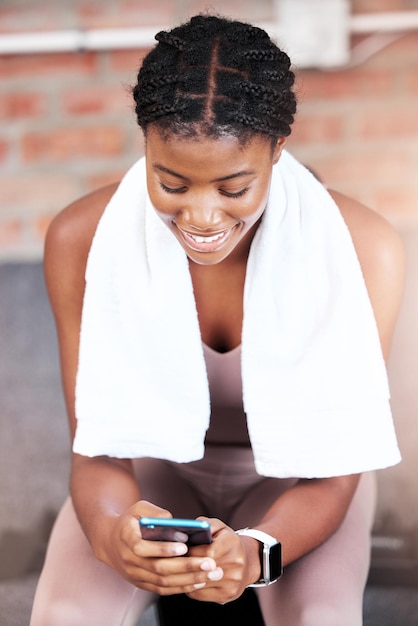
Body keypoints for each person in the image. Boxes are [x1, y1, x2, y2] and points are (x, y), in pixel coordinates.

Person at [30, 14, 405, 626]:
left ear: (278, 151)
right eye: (171, 182)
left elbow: (336, 473)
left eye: (234, 188)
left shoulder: (364, 250)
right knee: (65, 614)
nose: (201, 217)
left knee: (322, 618)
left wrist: (257, 553)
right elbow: (97, 452)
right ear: (146, 143)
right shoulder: (81, 240)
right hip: (151, 472)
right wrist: (114, 536)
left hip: (299, 483)